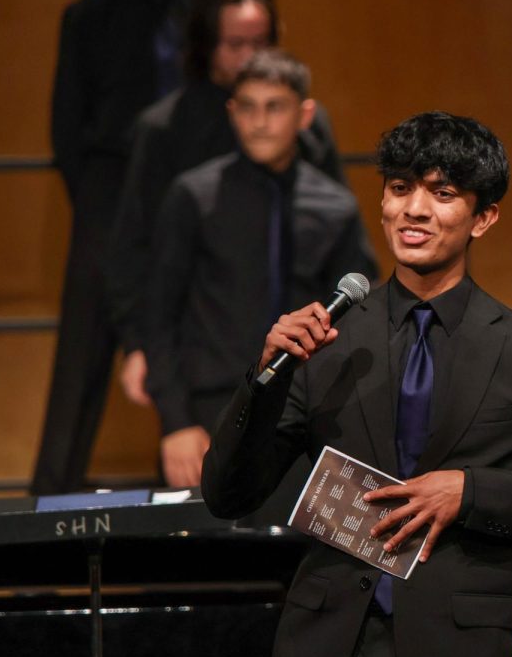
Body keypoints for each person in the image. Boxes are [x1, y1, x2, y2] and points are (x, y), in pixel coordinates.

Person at [200, 111, 512, 657]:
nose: (413, 209)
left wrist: (471, 492)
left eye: (442, 193)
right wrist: (265, 380)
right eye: (399, 188)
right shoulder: (328, 341)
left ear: (483, 218)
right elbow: (228, 493)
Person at [107, 0, 344, 418]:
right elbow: (134, 246)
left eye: (259, 42)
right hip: (205, 355)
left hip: (301, 361)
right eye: (235, 44)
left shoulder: (310, 128)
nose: (249, 56)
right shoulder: (164, 129)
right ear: (206, 45)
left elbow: (335, 227)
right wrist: (138, 345)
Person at [143, 49, 376, 488]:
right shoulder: (193, 196)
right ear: (232, 112)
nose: (260, 121)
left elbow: (357, 318)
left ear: (305, 115)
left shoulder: (335, 207)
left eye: (275, 107)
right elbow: (158, 315)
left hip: (300, 408)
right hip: (209, 406)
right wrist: (174, 422)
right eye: (248, 107)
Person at [31, 0, 202, 495]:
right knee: (80, 360)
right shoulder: (89, 14)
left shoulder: (201, 6)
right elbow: (66, 129)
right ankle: (46, 531)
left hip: (186, 184)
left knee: (194, 342)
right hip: (107, 189)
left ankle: (188, 527)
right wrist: (98, 205)